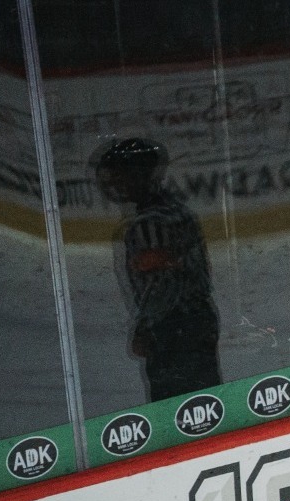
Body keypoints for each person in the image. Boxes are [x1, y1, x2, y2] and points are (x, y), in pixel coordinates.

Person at [93, 137, 222, 402]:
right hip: (194, 322)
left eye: (119, 176)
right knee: (206, 402)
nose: (114, 185)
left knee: (175, 407)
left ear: (137, 175)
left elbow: (160, 285)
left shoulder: (146, 224)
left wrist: (146, 326)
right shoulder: (177, 211)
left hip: (174, 330)